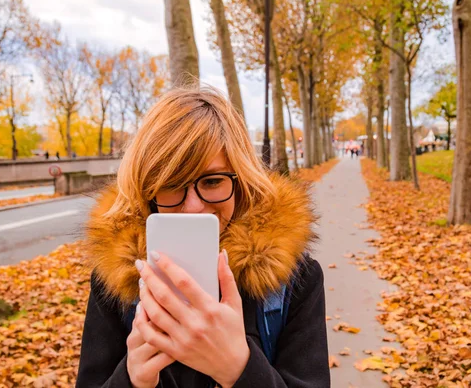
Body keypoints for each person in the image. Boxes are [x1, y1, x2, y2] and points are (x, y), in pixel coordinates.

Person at [76, 86, 330, 387]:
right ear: (148, 191)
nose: (193, 206)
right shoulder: (116, 282)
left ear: (242, 181)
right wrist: (131, 380)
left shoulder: (293, 281)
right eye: (172, 184)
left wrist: (238, 368)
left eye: (212, 181)